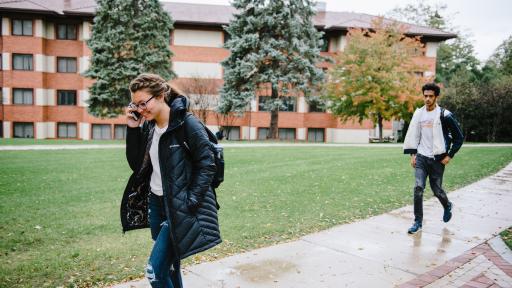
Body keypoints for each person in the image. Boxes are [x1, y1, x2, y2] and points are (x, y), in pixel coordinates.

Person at [120, 73, 221, 287]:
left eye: (143, 103)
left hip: (179, 206)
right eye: (135, 105)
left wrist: (190, 200)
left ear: (160, 96)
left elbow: (207, 165)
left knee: (154, 271)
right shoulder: (148, 127)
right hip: (157, 205)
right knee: (171, 266)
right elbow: (138, 165)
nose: (139, 109)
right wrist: (132, 128)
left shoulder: (187, 124)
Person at [403, 82, 464, 234]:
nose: (428, 99)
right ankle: (418, 222)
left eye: (431, 96)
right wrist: (413, 154)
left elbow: (459, 137)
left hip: (438, 159)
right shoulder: (419, 114)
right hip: (422, 158)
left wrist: (450, 155)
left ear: (436, 97)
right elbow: (414, 135)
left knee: (437, 190)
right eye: (425, 96)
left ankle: (447, 205)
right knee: (418, 188)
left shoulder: (445, 115)